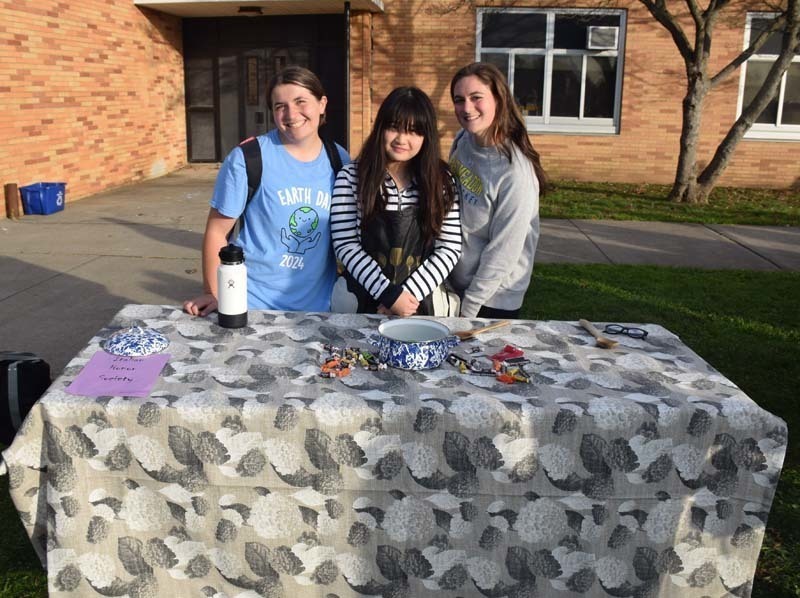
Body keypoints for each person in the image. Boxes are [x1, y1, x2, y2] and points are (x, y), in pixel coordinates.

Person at [183, 66, 349, 316]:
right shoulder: (248, 158)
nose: (291, 114)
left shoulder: (340, 159)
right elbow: (217, 231)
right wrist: (214, 293)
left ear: (322, 104)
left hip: (319, 310)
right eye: (280, 106)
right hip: (251, 304)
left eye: (300, 101)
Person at [330, 86, 461, 317]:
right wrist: (388, 295)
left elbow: (449, 247)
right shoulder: (351, 176)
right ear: (381, 128)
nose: (402, 139)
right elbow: (345, 243)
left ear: (426, 136)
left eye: (413, 131)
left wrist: (406, 298)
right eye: (394, 127)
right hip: (361, 300)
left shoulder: (441, 180)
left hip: (420, 302)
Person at [448, 62, 548, 320]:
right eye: (459, 100)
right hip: (457, 285)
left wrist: (469, 309)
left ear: (499, 100)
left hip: (492, 298)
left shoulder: (515, 173)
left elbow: (504, 251)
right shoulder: (464, 140)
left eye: (476, 98)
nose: (467, 108)